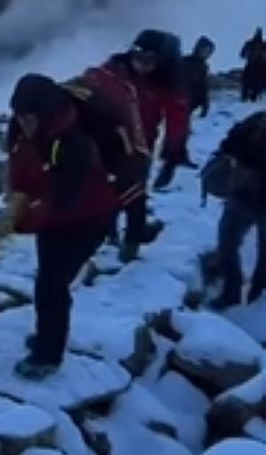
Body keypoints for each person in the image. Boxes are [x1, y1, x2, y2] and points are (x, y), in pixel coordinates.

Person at [1, 74, 121, 381]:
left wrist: (18, 220)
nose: (22, 123)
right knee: (47, 280)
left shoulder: (75, 144)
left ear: (45, 112)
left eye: (28, 118)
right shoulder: (26, 128)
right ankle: (47, 337)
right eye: (19, 116)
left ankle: (48, 355)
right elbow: (18, 163)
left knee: (52, 284)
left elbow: (62, 201)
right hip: (56, 217)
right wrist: (18, 195)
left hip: (89, 220)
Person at [102, 29, 192, 260]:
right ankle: (108, 232)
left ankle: (131, 243)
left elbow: (177, 115)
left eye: (148, 61)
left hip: (142, 143)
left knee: (135, 193)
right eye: (137, 58)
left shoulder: (167, 80)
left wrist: (174, 148)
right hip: (110, 136)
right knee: (106, 187)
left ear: (159, 61)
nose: (141, 65)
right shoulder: (116, 69)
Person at [203, 111, 266, 309]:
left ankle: (256, 298)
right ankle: (232, 293)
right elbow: (229, 143)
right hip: (243, 196)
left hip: (250, 198)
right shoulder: (256, 122)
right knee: (227, 244)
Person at [182, 36, 215, 118]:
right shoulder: (185, 62)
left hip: (191, 104)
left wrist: (205, 104)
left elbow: (203, 87)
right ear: (198, 48)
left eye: (209, 52)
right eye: (205, 50)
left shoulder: (204, 66)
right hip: (181, 102)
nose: (207, 54)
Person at [241, 28, 265, 102]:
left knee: (251, 83)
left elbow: (242, 54)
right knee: (249, 83)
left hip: (259, 67)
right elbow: (242, 54)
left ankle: (249, 96)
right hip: (256, 67)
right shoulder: (250, 43)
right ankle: (248, 97)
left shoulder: (251, 43)